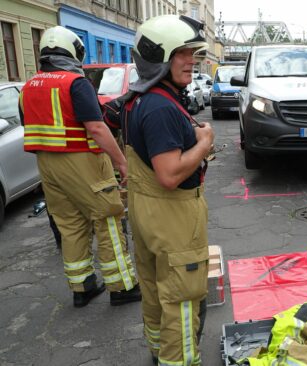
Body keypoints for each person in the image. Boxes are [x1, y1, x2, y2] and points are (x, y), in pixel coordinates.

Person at [19, 26, 140, 308]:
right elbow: (97, 127)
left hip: (47, 166)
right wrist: (121, 162)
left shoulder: (28, 87)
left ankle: (82, 287)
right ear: (72, 50)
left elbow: (32, 127)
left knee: (70, 224)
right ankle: (122, 286)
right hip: (82, 160)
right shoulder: (75, 83)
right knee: (107, 218)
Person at [125, 15, 214, 365]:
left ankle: (159, 352)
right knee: (181, 298)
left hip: (148, 214)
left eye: (193, 52)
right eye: (182, 52)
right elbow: (169, 174)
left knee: (154, 290)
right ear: (159, 56)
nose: (192, 60)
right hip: (173, 217)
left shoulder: (141, 98)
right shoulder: (162, 107)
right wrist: (204, 142)